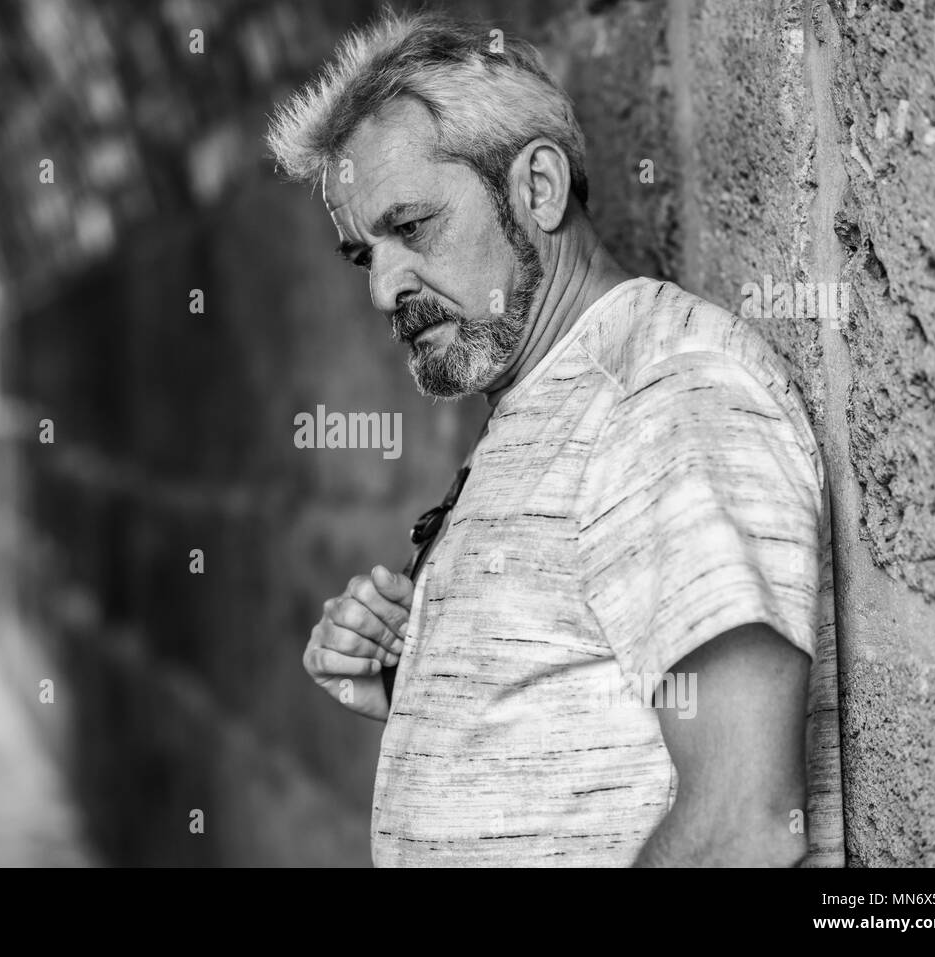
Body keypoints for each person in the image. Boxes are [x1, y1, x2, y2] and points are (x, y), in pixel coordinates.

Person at [268, 10, 831, 866]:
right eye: (363, 255)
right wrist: (410, 680)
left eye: (411, 227)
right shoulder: (547, 400)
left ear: (538, 187)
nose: (384, 289)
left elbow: (746, 821)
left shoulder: (664, 391)